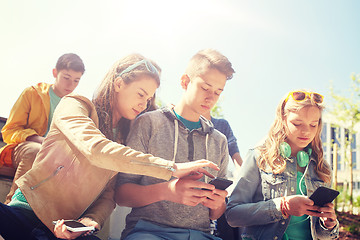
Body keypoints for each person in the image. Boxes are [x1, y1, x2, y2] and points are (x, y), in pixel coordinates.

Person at [0, 53, 218, 240]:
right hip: (28, 211)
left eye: (149, 98)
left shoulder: (125, 139)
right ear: (119, 83)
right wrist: (171, 168)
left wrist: (90, 222)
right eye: (141, 94)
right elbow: (95, 149)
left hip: (67, 228)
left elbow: (109, 194)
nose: (144, 104)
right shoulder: (75, 104)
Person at [115, 49, 235, 240]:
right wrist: (168, 191)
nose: (211, 98)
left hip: (202, 234)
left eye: (218, 92)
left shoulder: (219, 141)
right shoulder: (148, 123)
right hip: (148, 231)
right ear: (185, 82)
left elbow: (216, 214)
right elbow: (121, 195)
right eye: (205, 88)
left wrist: (218, 205)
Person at [225, 90, 339, 240]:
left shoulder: (322, 168)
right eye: (297, 123)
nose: (306, 131)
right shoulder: (259, 156)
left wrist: (329, 225)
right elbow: (233, 215)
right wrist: (281, 206)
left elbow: (325, 235)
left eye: (313, 125)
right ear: (282, 119)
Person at [1, 53, 85, 204]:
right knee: (36, 150)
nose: (70, 85)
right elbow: (9, 130)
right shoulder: (32, 93)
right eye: (66, 77)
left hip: (56, 156)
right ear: (55, 73)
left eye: (76, 81)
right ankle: (12, 205)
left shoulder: (76, 107)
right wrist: (39, 139)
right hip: (25, 149)